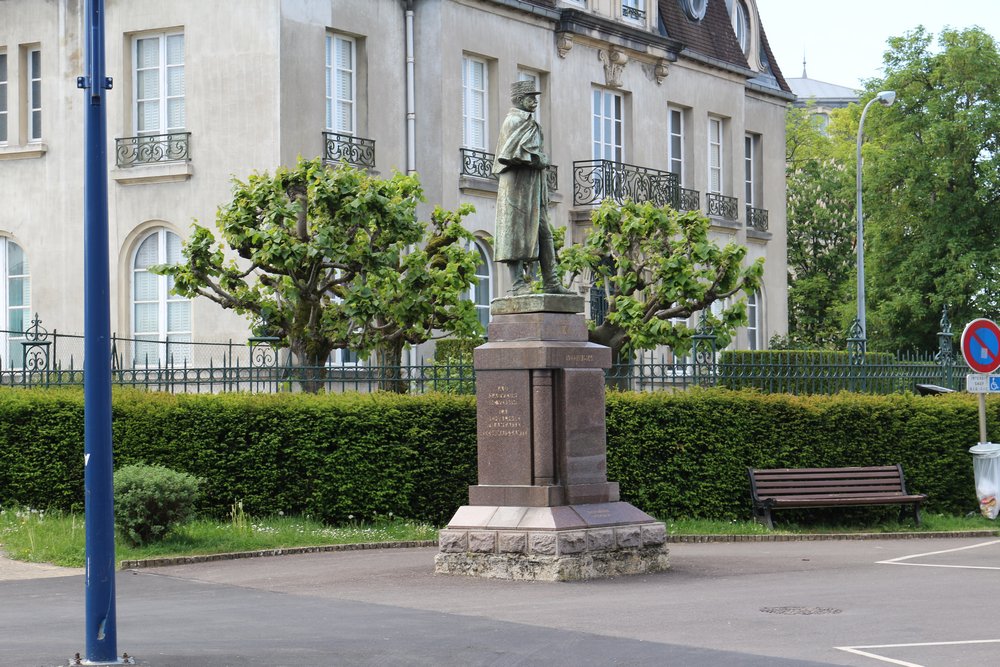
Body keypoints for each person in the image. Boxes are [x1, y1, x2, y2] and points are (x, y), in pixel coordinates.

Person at [493, 80, 571, 296]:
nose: (535, 101)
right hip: (517, 186)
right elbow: (510, 155)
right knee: (515, 232)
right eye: (530, 97)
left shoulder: (528, 121)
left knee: (545, 233)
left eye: (535, 97)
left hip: (532, 186)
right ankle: (517, 284)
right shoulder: (514, 121)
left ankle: (551, 282)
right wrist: (540, 159)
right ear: (519, 100)